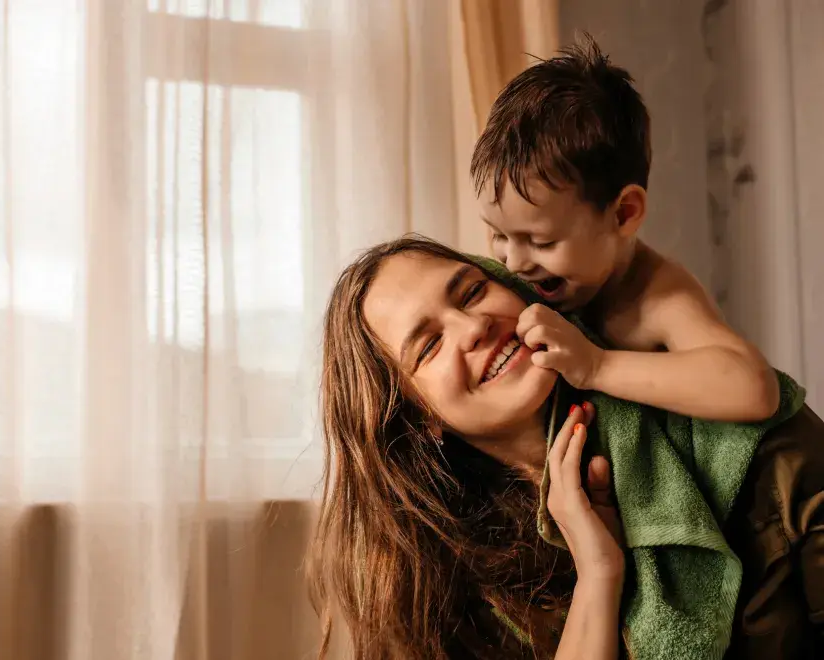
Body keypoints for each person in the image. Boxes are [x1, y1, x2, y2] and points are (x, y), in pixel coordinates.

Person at [307, 236, 824, 659]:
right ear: (418, 421)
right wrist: (598, 573)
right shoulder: (441, 594)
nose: (475, 325)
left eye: (471, 292)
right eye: (429, 345)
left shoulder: (741, 436)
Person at [469, 38, 778, 423]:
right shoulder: (530, 284)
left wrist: (597, 366)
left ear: (623, 214)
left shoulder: (659, 296)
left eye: (541, 242)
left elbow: (754, 389)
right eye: (499, 235)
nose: (514, 261)